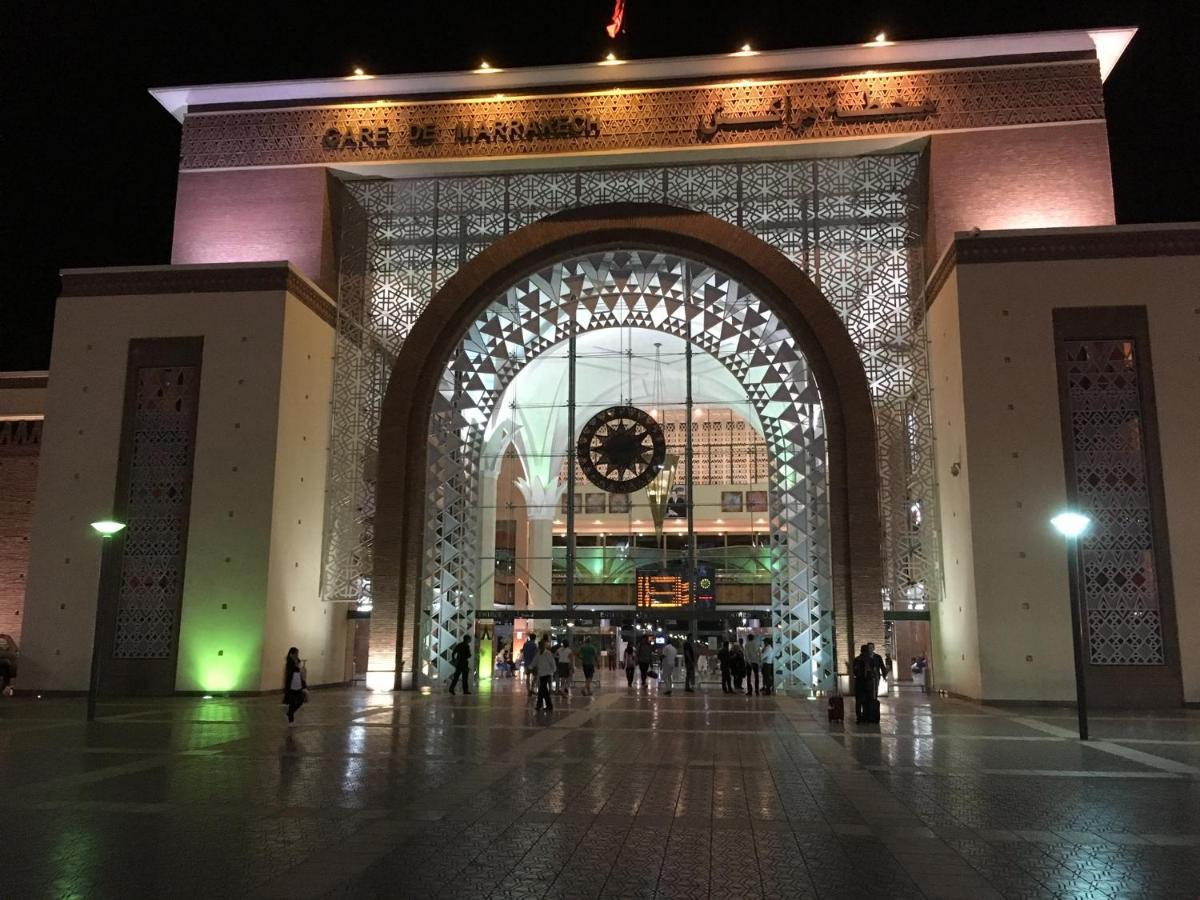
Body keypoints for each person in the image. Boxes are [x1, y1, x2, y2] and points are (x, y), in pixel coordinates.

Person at [282, 646, 306, 724]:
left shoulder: (298, 661)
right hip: (291, 685)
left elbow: (300, 673)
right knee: (292, 703)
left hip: (298, 683)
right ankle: (291, 721)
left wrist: (304, 684)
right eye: (296, 653)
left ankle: (290, 713)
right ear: (292, 654)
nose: (297, 654)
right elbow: (289, 672)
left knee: (301, 700)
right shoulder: (289, 662)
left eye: (297, 653)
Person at [534, 638, 556, 712]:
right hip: (541, 674)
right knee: (542, 690)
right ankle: (543, 705)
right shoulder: (538, 654)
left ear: (544, 646)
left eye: (541, 646)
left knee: (542, 689)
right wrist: (530, 667)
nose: (540, 647)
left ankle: (542, 705)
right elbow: (535, 661)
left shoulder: (548, 653)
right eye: (539, 646)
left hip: (547, 673)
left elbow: (552, 662)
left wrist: (553, 670)